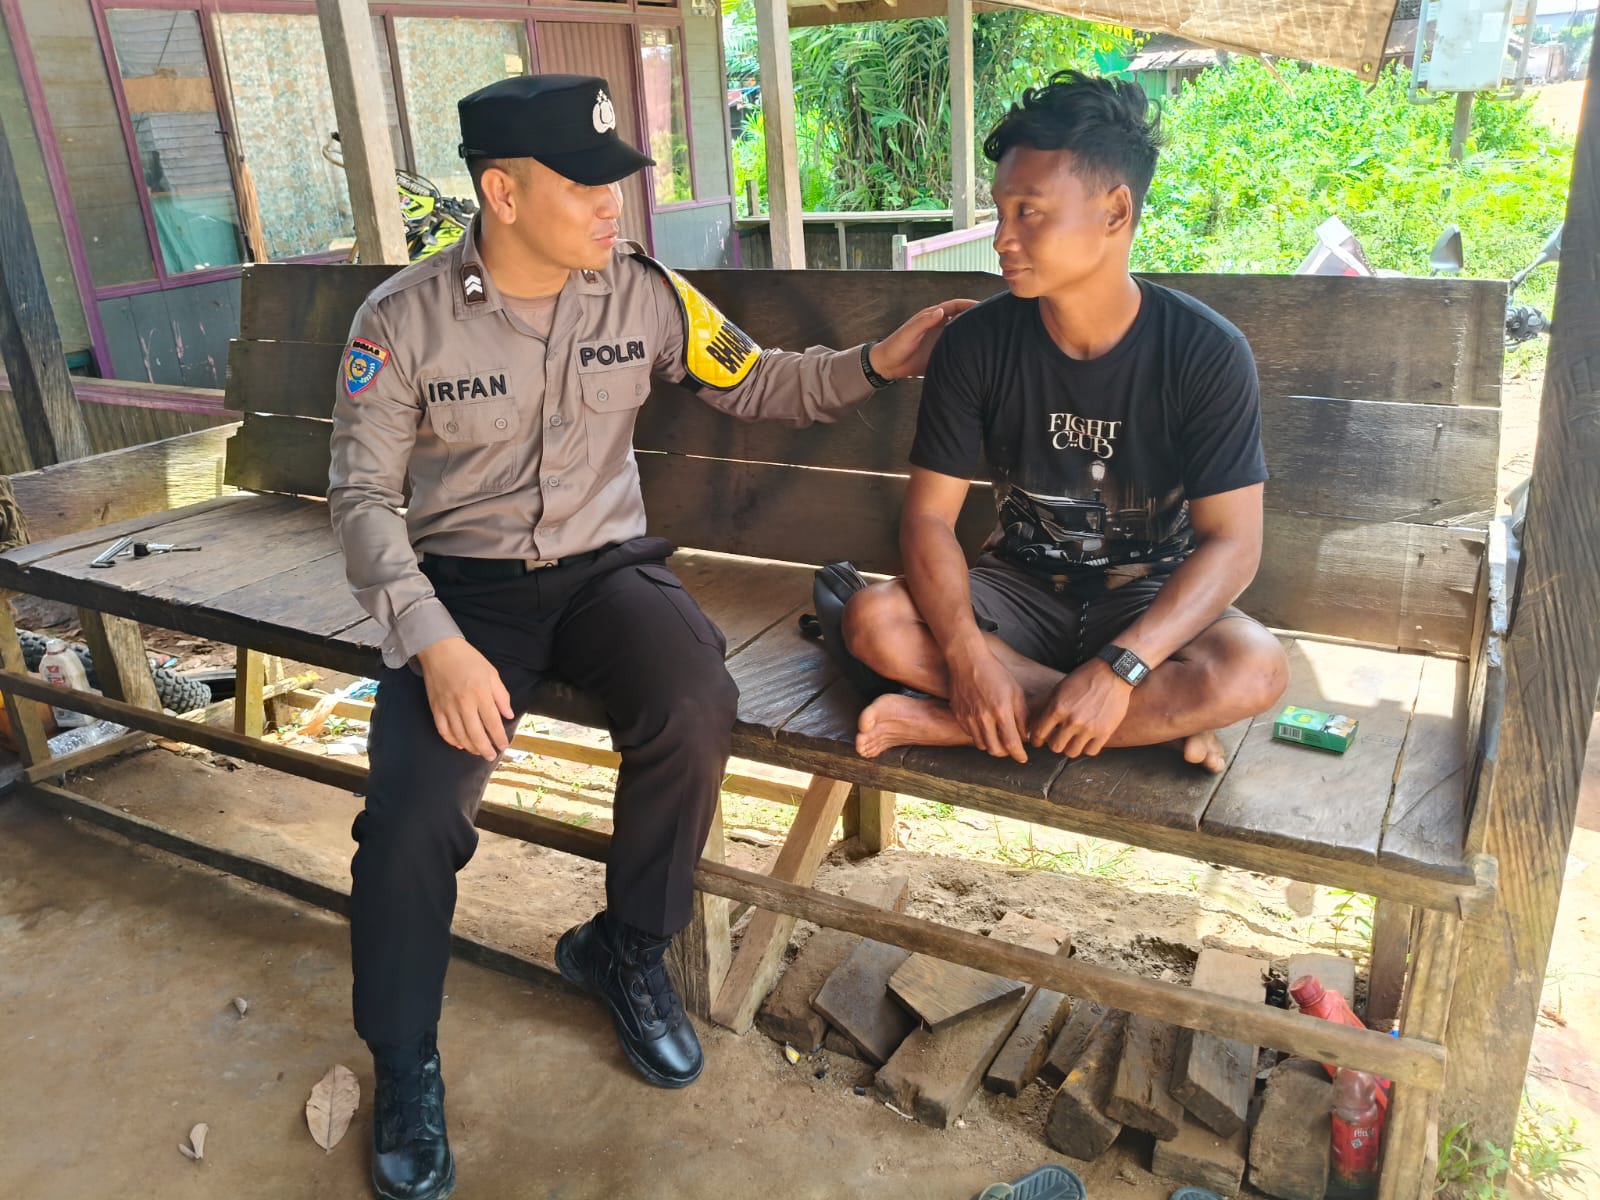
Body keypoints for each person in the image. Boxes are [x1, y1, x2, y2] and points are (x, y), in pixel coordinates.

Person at [327, 73, 970, 1200]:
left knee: (694, 702)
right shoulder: (402, 320)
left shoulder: (642, 293)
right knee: (413, 814)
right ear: (502, 193)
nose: (612, 204)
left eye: (616, 181)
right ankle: (405, 1058)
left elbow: (756, 381)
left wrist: (878, 361)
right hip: (460, 596)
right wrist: (433, 643)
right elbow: (362, 502)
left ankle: (623, 950)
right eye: (585, 185)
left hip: (604, 576)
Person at [841, 72, 1289, 770]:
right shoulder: (975, 344)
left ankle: (959, 724)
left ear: (1115, 212)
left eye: (1030, 212)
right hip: (1016, 590)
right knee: (875, 620)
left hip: (1146, 600)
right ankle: (1147, 724)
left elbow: (1232, 544)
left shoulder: (1204, 351)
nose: (1002, 239)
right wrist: (966, 658)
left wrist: (1123, 669)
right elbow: (928, 519)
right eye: (1000, 211)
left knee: (1253, 669)